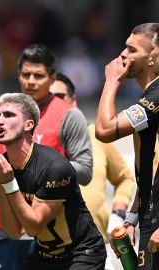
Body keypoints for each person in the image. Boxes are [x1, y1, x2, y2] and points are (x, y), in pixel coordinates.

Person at [0, 44, 92, 270]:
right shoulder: (1, 113)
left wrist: (46, 171)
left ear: (52, 77)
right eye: (25, 74)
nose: (30, 81)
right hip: (5, 230)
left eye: (38, 75)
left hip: (50, 232)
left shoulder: (69, 115)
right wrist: (1, 198)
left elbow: (85, 172)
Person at [0, 93, 106, 270]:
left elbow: (33, 227)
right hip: (44, 256)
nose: (0, 121)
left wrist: (8, 183)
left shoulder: (55, 167)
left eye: (9, 115)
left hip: (82, 253)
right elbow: (14, 231)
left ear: (29, 124)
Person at [50, 73, 134, 269]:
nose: (55, 104)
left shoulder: (97, 136)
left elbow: (124, 178)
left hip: (95, 248)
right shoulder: (36, 143)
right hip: (51, 253)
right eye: (48, 99)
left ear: (73, 101)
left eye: (60, 97)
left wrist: (118, 213)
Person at [95, 23, 159, 270]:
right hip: (147, 220)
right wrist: (132, 218)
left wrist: (111, 82)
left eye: (132, 49)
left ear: (152, 57)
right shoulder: (148, 97)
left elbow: (104, 130)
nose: (123, 54)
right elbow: (150, 170)